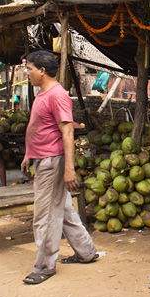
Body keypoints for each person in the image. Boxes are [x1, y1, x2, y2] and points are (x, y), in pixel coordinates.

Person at [20, 50, 97, 285]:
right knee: (62, 209)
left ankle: (45, 265)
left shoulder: (57, 95)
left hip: (52, 161)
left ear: (42, 71)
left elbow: (68, 131)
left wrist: (69, 168)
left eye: (29, 69)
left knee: (46, 215)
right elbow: (38, 128)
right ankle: (86, 251)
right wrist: (27, 155)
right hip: (42, 158)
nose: (27, 73)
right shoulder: (43, 94)